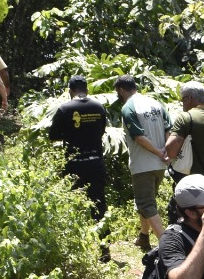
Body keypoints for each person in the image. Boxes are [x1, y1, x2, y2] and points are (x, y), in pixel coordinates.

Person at [115, 74, 172, 252]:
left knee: (146, 204)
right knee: (147, 202)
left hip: (142, 165)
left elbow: (139, 137)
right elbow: (168, 130)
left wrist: (157, 151)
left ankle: (166, 243)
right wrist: (165, 152)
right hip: (160, 165)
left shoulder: (128, 108)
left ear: (122, 90)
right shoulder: (156, 104)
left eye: (118, 92)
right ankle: (144, 237)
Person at [50, 75, 111, 221]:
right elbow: (102, 130)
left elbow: (53, 135)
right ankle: (102, 235)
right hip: (96, 160)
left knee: (73, 199)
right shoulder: (98, 107)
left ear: (70, 91)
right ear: (87, 90)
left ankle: (77, 234)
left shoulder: (64, 109)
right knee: (98, 199)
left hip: (74, 162)